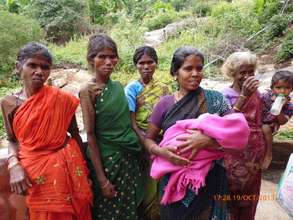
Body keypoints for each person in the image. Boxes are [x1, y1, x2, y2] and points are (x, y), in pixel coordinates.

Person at [0, 43, 92, 220]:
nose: (39, 71)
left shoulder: (62, 99)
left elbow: (74, 134)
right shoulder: (8, 103)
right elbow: (12, 139)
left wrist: (85, 170)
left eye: (45, 67)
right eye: (32, 65)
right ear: (18, 67)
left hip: (68, 169)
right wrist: (14, 165)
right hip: (35, 173)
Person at [144, 46, 235, 220]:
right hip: (173, 180)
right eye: (188, 68)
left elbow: (235, 134)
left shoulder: (216, 100)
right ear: (175, 72)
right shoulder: (165, 104)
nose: (195, 73)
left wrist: (208, 142)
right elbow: (149, 139)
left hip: (209, 179)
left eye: (199, 68)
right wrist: (161, 152)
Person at [79, 33, 144, 220]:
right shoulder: (88, 91)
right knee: (109, 211)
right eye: (102, 56)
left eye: (112, 56)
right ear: (91, 59)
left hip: (128, 158)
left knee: (130, 207)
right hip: (107, 163)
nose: (108, 61)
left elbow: (126, 123)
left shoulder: (117, 86)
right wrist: (101, 179)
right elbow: (90, 135)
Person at [124, 46, 170, 219]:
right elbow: (132, 122)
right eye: (141, 63)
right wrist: (146, 142)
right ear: (136, 65)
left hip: (163, 140)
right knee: (147, 184)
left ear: (156, 64)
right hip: (141, 140)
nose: (146, 66)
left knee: (162, 183)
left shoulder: (164, 89)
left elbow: (169, 116)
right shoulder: (131, 89)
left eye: (150, 62)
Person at [221, 51, 266, 220]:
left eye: (250, 72)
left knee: (250, 196)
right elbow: (224, 124)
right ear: (233, 73)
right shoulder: (224, 96)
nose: (247, 76)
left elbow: (264, 123)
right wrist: (244, 96)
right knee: (230, 196)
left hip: (254, 156)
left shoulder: (259, 95)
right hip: (233, 156)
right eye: (242, 72)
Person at [261, 70, 293, 169]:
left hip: (269, 127)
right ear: (272, 88)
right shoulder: (265, 96)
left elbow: (283, 122)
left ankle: (269, 154)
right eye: (278, 88)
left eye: (287, 88)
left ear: (292, 89)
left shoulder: (289, 106)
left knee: (266, 128)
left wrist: (280, 107)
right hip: (257, 121)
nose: (282, 91)